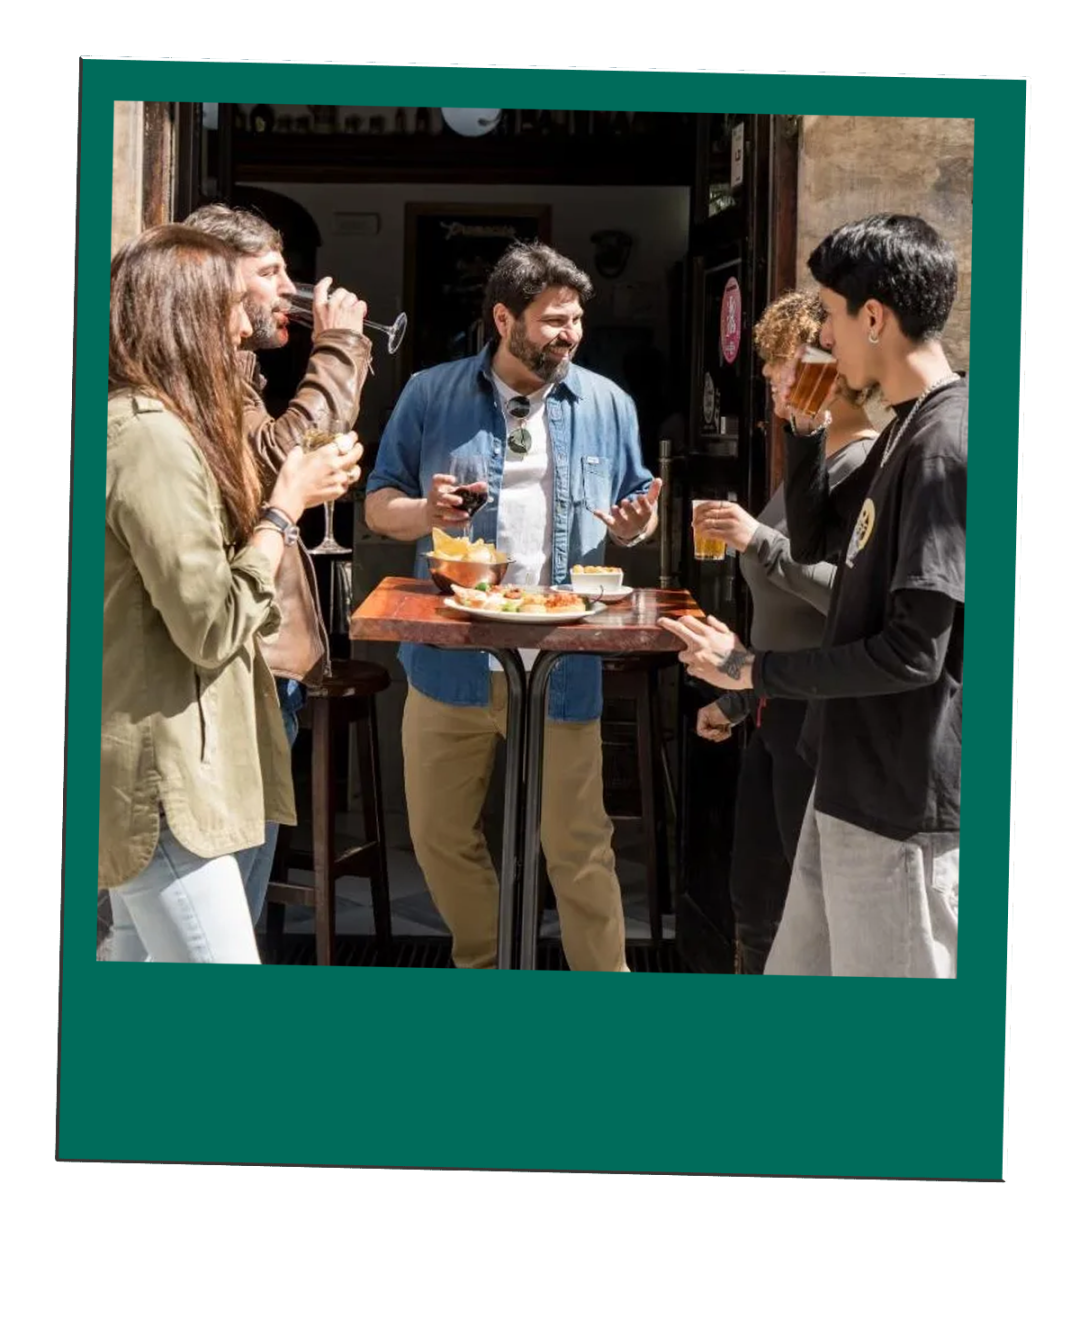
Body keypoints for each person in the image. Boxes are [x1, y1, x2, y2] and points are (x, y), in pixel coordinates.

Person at [661, 213, 966, 980]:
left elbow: (912, 653)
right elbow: (826, 541)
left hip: (897, 808)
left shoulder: (941, 445)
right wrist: (799, 432)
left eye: (828, 316)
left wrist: (751, 671)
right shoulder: (905, 431)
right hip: (849, 782)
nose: (821, 341)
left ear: (874, 316)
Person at [364, 241, 662, 971]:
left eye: (576, 320)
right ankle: (490, 966)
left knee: (578, 846)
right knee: (437, 834)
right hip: (452, 659)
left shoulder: (607, 403)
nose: (571, 333)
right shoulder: (432, 393)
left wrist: (637, 525)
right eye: (555, 320)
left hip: (563, 658)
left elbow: (637, 505)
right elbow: (378, 508)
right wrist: (424, 514)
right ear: (504, 318)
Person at [102, 223, 364, 963]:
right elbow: (212, 624)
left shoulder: (156, 422)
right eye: (227, 303)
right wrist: (287, 507)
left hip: (173, 766)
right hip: (166, 779)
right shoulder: (151, 435)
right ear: (185, 313)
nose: (242, 320)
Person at [182, 203, 372, 929]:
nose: (290, 288)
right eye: (270, 273)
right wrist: (340, 347)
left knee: (232, 903)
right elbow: (275, 463)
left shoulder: (233, 372)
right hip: (237, 657)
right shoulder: (202, 379)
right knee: (218, 910)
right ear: (211, 280)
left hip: (262, 659)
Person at [692, 290, 878, 974]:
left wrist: (757, 539)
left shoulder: (866, 463)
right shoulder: (812, 460)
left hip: (819, 724)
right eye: (771, 362)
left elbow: (852, 603)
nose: (772, 377)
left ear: (837, 363)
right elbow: (790, 611)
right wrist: (738, 693)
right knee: (758, 896)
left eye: (786, 361)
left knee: (804, 915)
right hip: (776, 712)